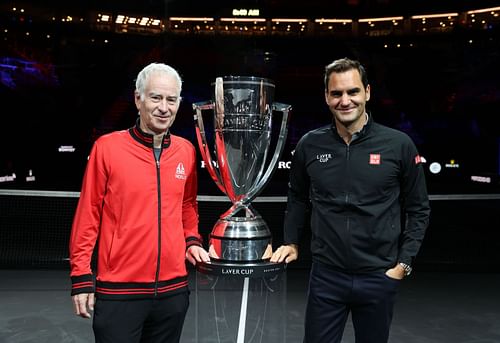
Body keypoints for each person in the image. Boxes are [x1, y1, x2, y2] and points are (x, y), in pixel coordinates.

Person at [271, 57, 430, 343]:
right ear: (326, 97)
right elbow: (297, 197)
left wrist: (403, 263)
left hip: (379, 276)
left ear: (367, 92)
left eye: (353, 91)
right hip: (326, 277)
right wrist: (291, 241)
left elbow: (418, 208)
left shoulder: (398, 145)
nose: (345, 100)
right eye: (337, 93)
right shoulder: (310, 144)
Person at [69, 62, 210, 343]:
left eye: (171, 100)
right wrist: (81, 276)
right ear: (138, 99)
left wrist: (192, 240)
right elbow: (89, 214)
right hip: (119, 291)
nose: (164, 107)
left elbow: (187, 205)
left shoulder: (186, 151)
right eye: (156, 97)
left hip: (173, 292)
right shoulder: (107, 148)